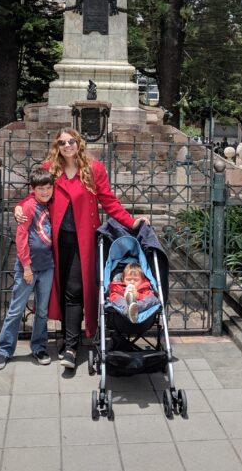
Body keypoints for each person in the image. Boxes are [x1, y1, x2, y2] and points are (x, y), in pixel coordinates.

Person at [15, 127, 149, 370]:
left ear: (79, 143)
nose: (67, 145)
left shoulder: (93, 169)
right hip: (54, 242)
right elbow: (36, 195)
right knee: (64, 287)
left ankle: (70, 347)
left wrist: (131, 221)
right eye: (62, 142)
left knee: (74, 291)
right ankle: (69, 336)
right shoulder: (49, 169)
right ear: (57, 146)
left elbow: (108, 200)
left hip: (83, 240)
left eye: (72, 141)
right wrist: (21, 205)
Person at [0, 168, 55, 370]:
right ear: (33, 190)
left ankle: (38, 347)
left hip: (47, 267)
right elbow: (21, 238)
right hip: (29, 268)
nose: (45, 192)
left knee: (42, 311)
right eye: (41, 189)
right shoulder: (28, 207)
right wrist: (26, 266)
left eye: (48, 188)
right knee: (16, 309)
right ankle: (4, 350)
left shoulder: (52, 205)